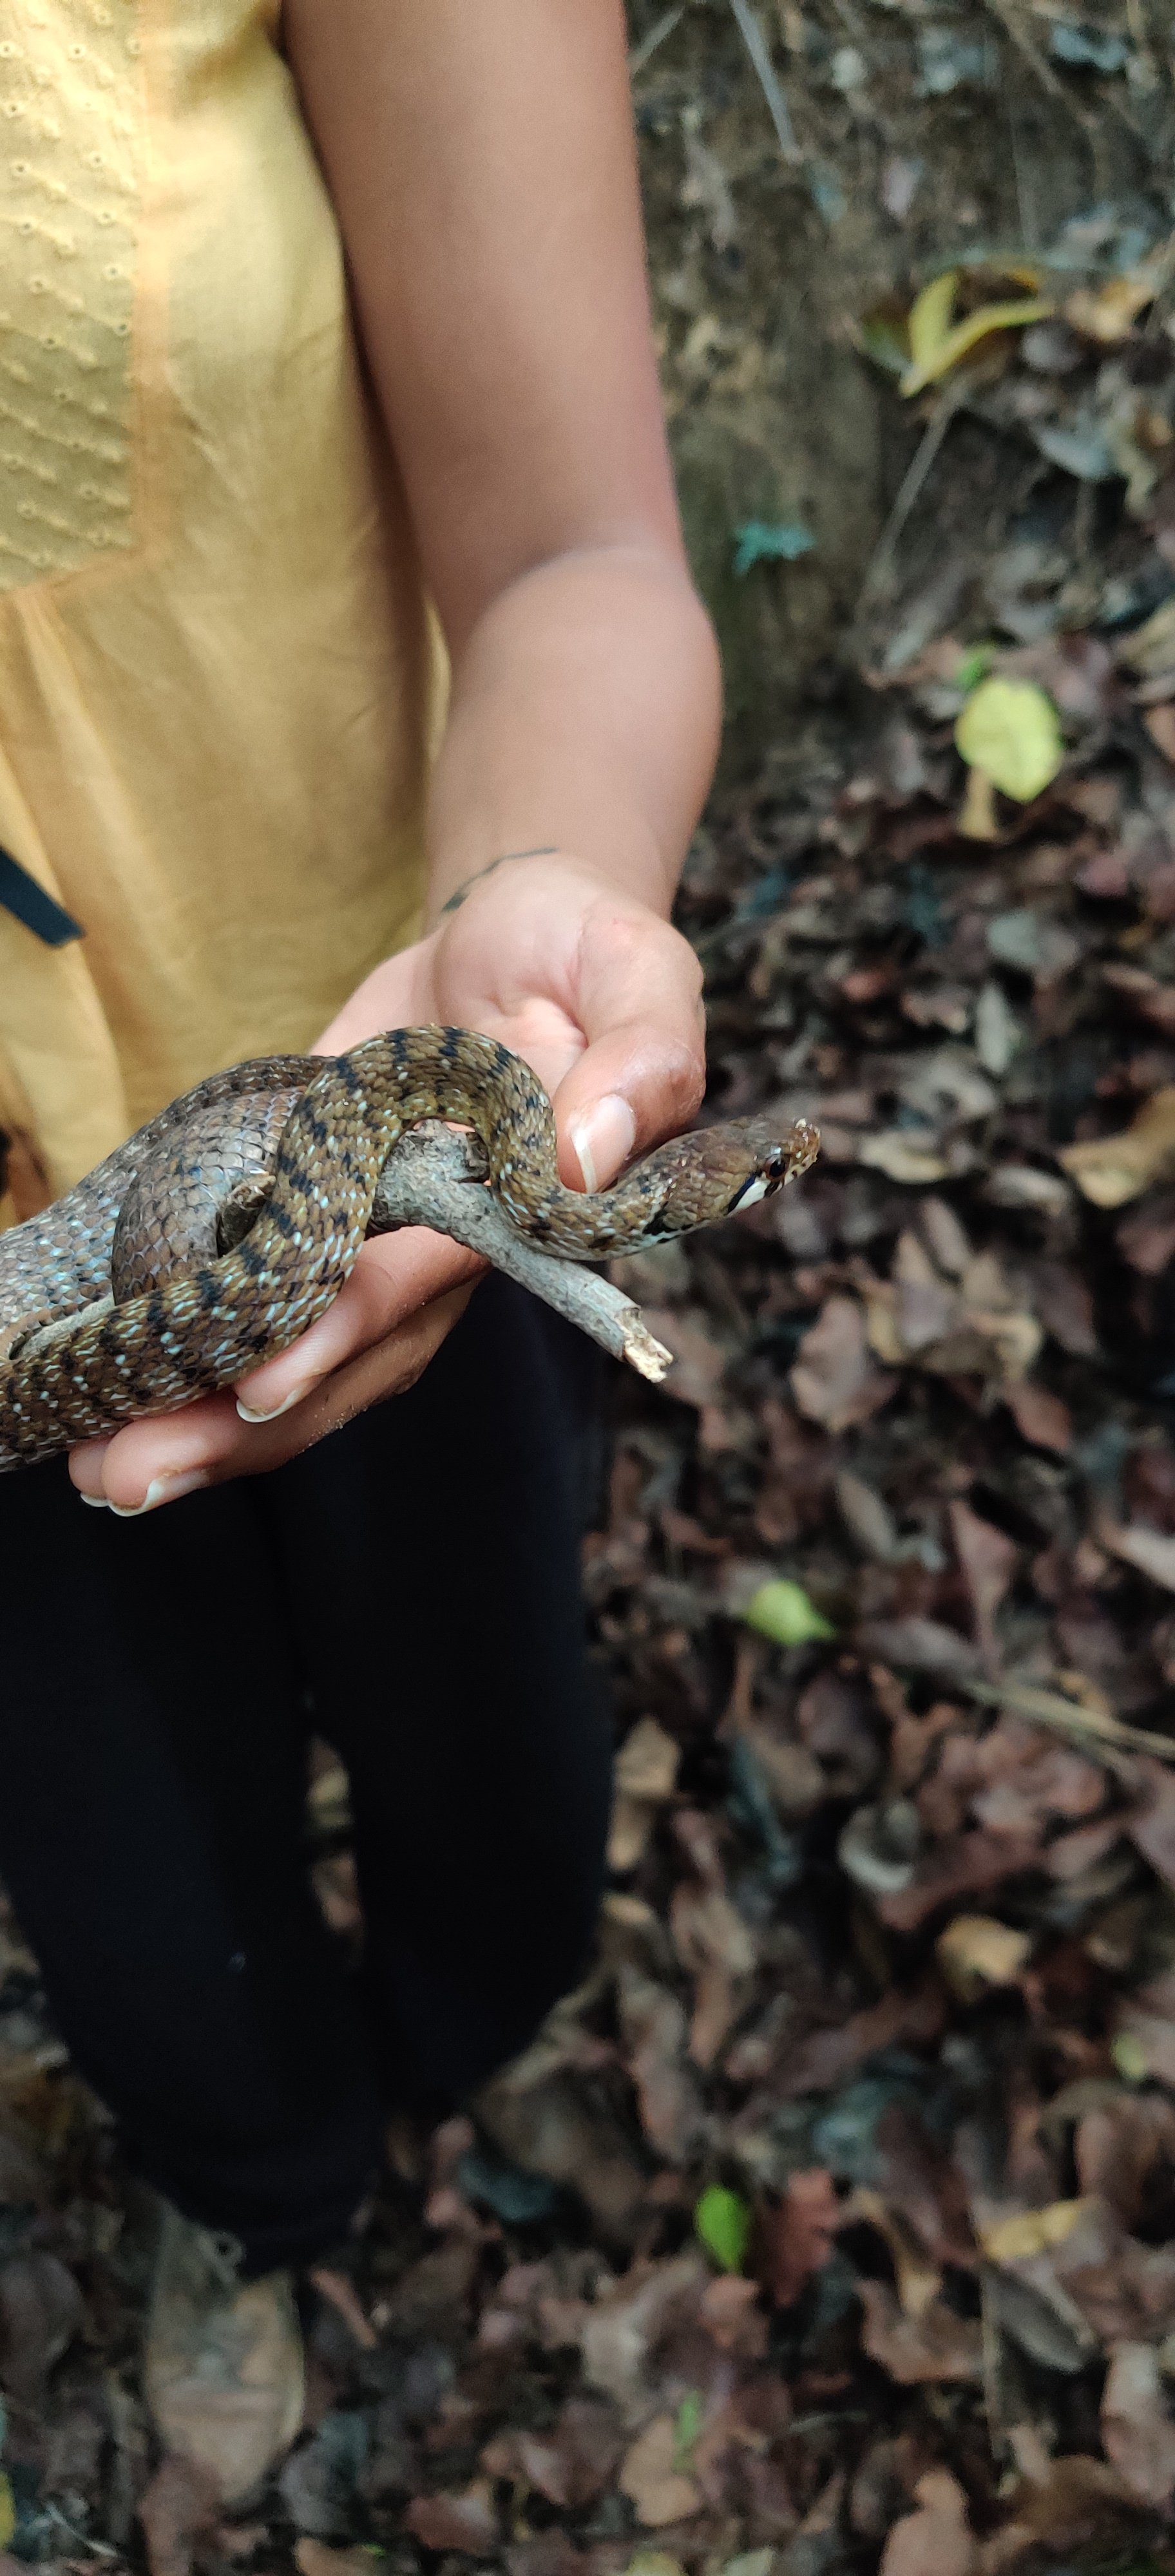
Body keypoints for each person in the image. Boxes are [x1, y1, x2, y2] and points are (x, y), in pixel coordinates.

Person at [0, 0, 721, 2501]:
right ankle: (266, 2195)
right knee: (131, 1877)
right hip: (26, 1304)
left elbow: (574, 552)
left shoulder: (452, 1153)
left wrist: (545, 883)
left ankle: (471, 2050)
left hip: (345, 1038)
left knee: (500, 1741)